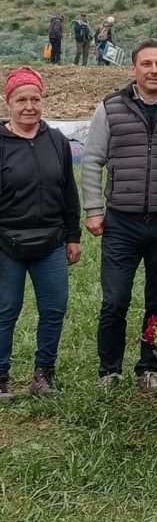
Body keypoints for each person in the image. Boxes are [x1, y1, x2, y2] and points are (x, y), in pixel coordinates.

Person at [82, 39, 157, 393]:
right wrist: (93, 209)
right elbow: (91, 160)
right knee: (114, 300)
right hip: (121, 220)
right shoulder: (111, 107)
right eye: (146, 64)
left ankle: (150, 366)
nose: (154, 70)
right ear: (134, 68)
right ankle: (109, 370)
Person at [0, 68, 81, 401]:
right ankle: (1, 378)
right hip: (7, 243)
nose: (29, 106)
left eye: (35, 99)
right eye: (21, 100)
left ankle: (43, 376)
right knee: (6, 311)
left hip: (51, 241)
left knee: (54, 309)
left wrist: (73, 237)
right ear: (9, 102)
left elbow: (69, 194)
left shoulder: (57, 141)